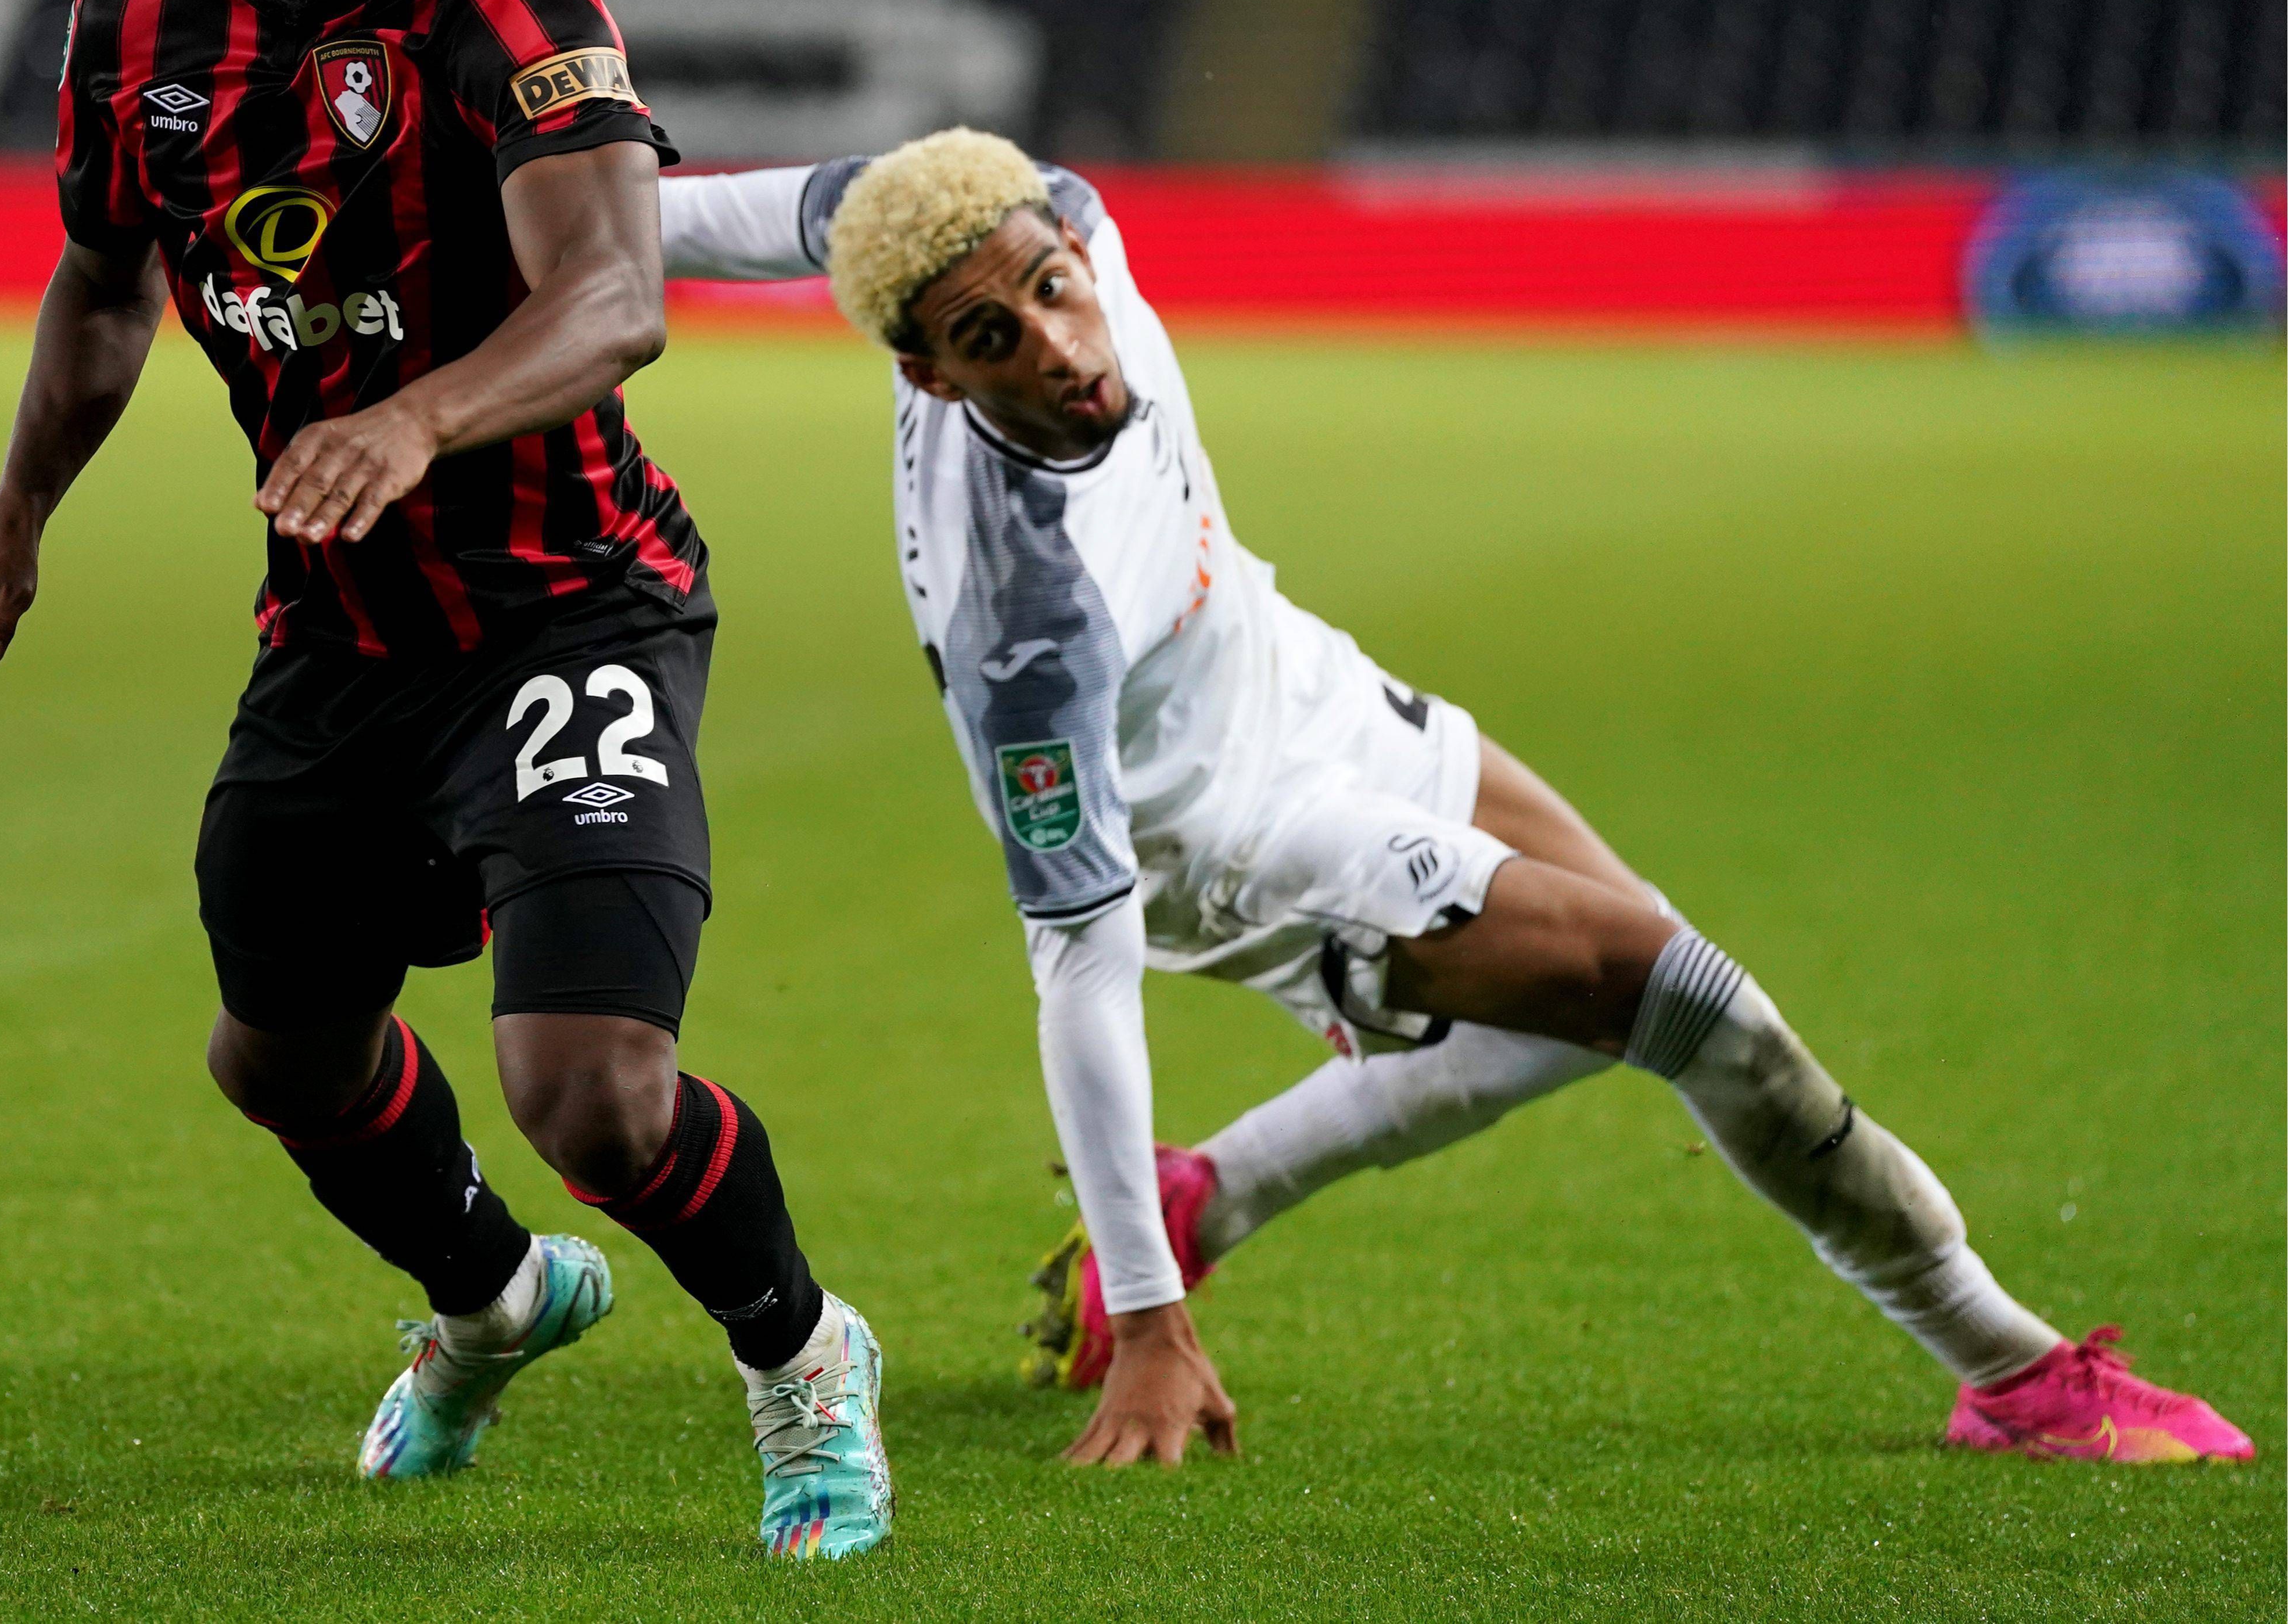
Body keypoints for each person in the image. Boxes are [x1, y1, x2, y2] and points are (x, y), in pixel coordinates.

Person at [657, 128, 2251, 1469]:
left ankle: (1212, 1188)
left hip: (1300, 678)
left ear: (1070, 237)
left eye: (1056, 296)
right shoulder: (1029, 636)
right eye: (995, 343)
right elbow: (1080, 965)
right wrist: (1149, 1324)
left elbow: (718, 211)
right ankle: (2011, 1369)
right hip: (1239, 842)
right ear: (925, 374)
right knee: (1697, 1005)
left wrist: (512, 225)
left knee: (1636, 974)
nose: (1066, 352)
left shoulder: (993, 209)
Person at [0, 0, 892, 1558]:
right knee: (276, 1053)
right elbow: (108, 280)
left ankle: (802, 1358)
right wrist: (18, 509)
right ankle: (496, 1302)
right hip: (342, 629)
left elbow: (615, 299)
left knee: (591, 1091)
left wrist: (415, 416)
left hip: (566, 603)